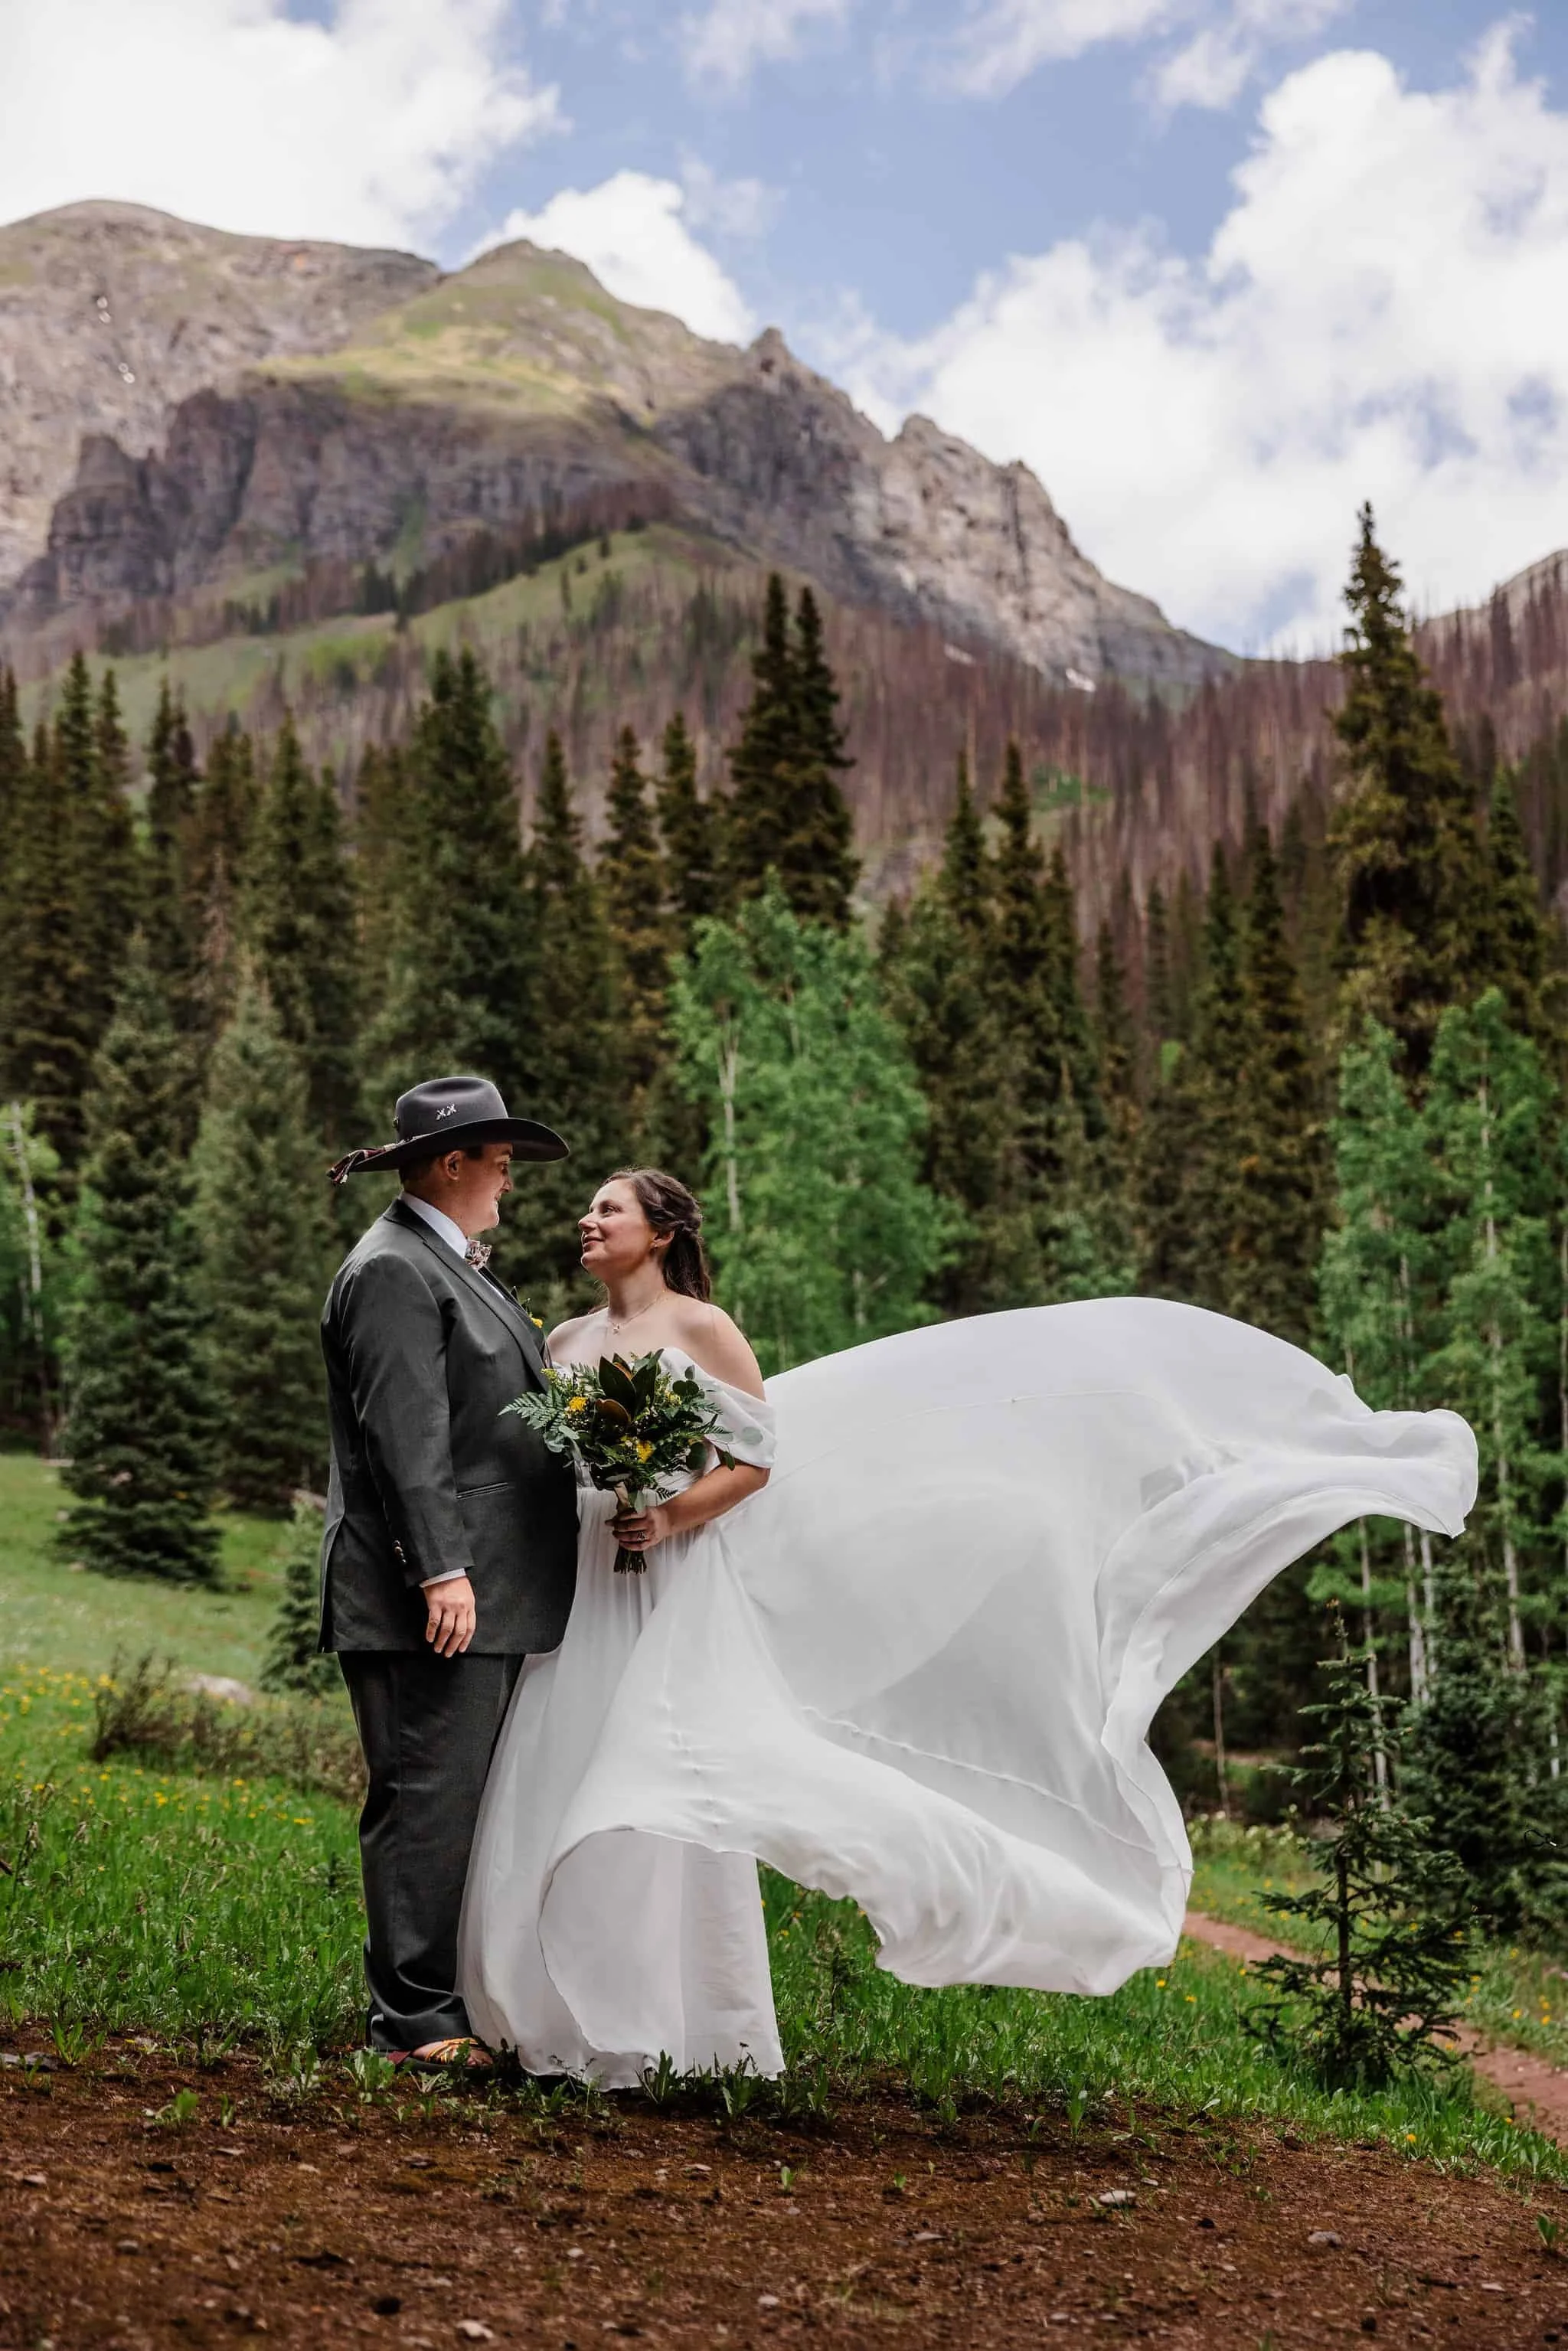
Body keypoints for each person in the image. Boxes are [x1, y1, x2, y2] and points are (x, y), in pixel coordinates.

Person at [459, 1168, 1479, 2088]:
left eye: (609, 1208)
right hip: (594, 1568)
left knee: (673, 1780)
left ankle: (677, 2028)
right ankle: (548, 2012)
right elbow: (553, 1462)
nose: (586, 1220)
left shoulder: (704, 1329)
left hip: (671, 1568)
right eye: (589, 1208)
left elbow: (757, 1458)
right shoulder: (566, 1343)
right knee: (567, 1754)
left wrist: (670, 1511)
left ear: (661, 1230)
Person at [320, 1075, 578, 2066]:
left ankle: (445, 2002)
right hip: (425, 1595)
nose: (508, 1187)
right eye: (501, 1165)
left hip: (482, 1588)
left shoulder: (444, 1262)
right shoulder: (392, 1269)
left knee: (456, 1793)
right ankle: (416, 2020)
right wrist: (440, 1571)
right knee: (425, 1794)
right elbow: (407, 1440)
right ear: (452, 1161)